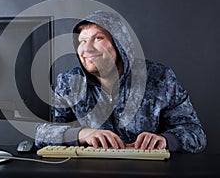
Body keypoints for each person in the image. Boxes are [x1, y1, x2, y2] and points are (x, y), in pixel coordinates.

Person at [34, 10, 207, 153]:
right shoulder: (69, 83)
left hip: (149, 171)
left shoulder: (160, 78)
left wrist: (165, 140)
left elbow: (196, 133)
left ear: (120, 43)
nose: (86, 49)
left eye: (98, 38)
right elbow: (41, 133)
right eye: (82, 41)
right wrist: (81, 134)